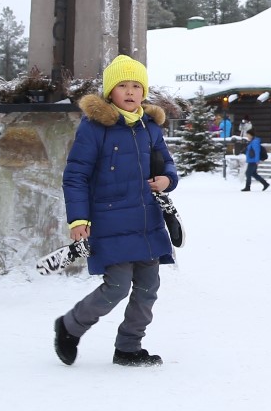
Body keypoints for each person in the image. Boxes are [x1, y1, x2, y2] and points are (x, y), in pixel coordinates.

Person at [52, 55, 178, 368]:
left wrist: (167, 178)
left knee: (149, 288)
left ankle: (129, 347)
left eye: (137, 85)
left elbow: (166, 163)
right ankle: (70, 326)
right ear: (111, 91)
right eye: (123, 85)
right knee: (117, 286)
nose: (131, 91)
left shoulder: (150, 127)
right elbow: (76, 174)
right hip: (110, 220)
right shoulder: (96, 128)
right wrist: (79, 219)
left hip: (147, 219)